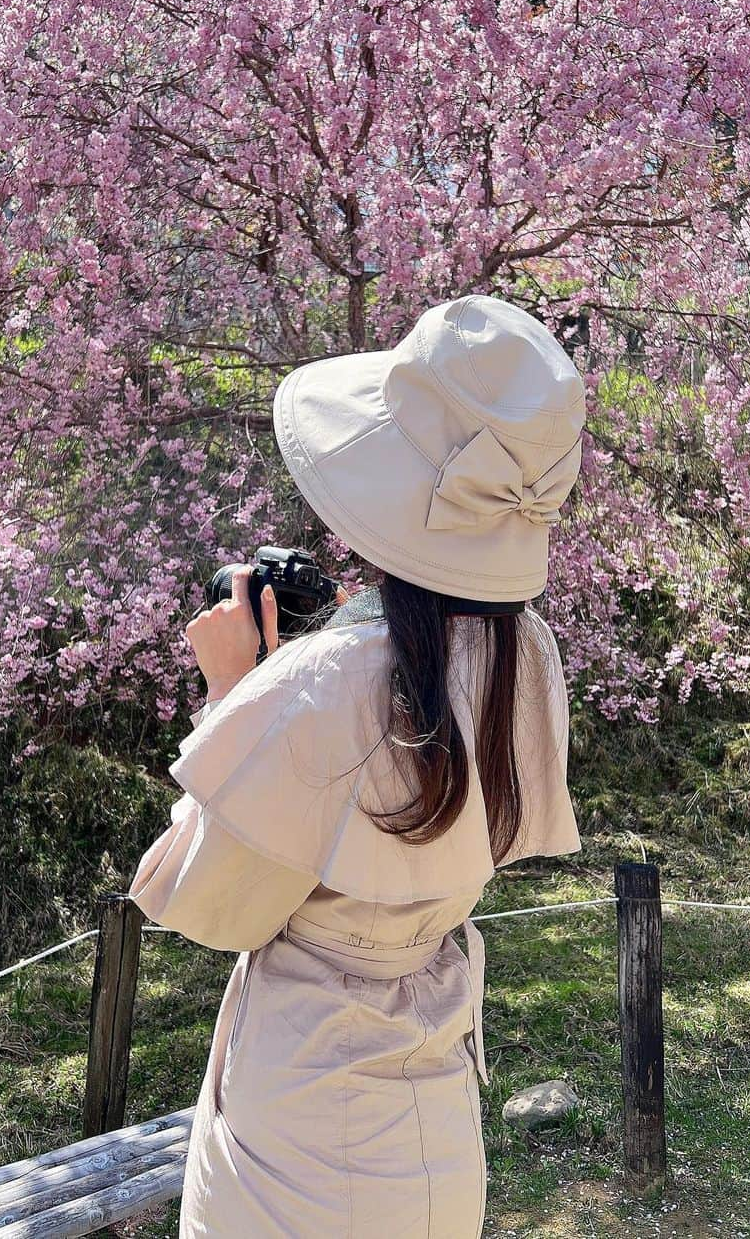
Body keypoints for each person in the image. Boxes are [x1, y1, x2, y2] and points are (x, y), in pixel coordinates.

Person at [130, 293, 587, 1238]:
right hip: (437, 1091)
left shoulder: (325, 685)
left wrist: (233, 694)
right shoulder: (526, 656)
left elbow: (222, 908)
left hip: (299, 1115)